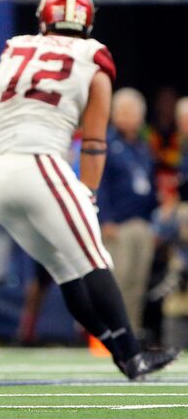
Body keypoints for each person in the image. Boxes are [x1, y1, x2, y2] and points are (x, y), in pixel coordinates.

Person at [0, 0, 179, 380]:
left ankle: (123, 354)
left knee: (66, 270)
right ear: (86, 22)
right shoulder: (93, 55)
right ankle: (132, 355)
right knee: (95, 261)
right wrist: (86, 195)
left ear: (44, 18)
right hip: (40, 166)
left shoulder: (13, 46)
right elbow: (93, 142)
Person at [98, 88, 158, 334]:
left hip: (142, 224)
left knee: (138, 282)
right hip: (118, 225)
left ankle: (131, 331)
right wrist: (105, 218)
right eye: (122, 111)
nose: (127, 116)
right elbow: (99, 183)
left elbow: (149, 185)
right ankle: (111, 332)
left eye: (132, 111)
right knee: (118, 280)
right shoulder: (106, 144)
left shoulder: (143, 147)